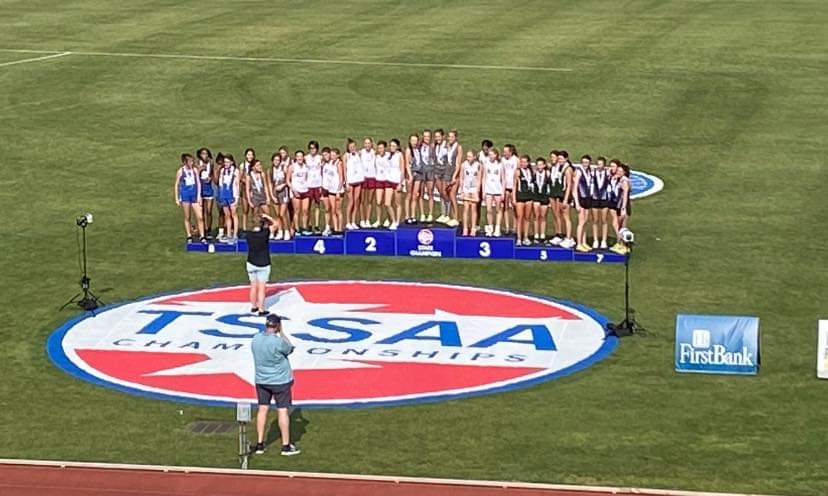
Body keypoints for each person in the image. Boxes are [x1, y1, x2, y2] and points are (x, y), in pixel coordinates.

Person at [251, 313, 300, 456]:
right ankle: (285, 446)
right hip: (280, 381)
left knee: (262, 409)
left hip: (261, 380)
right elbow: (289, 348)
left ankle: (260, 444)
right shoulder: (278, 342)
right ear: (277, 326)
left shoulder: (256, 339)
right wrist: (282, 333)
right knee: (282, 410)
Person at [174, 153, 205, 243]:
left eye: (192, 161)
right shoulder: (180, 171)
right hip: (185, 196)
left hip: (194, 195)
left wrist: (199, 196)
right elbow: (176, 185)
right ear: (185, 162)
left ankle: (202, 236)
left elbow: (198, 183)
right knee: (187, 217)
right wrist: (177, 198)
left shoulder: (194, 170)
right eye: (190, 161)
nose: (192, 163)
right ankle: (189, 235)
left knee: (200, 217)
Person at [246, 213, 274, 315]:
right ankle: (261, 309)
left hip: (251, 262)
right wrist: (268, 216)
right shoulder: (265, 233)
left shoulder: (248, 235)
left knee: (253, 286)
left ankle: (254, 306)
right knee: (261, 288)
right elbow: (275, 224)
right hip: (263, 263)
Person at [609, 161, 632, 254]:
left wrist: (623, 208)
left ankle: (623, 245)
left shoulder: (624, 180)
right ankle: (620, 244)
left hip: (623, 206)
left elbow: (625, 194)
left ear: (624, 172)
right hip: (620, 205)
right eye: (617, 171)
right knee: (619, 226)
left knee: (622, 227)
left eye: (620, 171)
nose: (618, 172)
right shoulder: (621, 179)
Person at [217, 154, 240, 243]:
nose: (226, 163)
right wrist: (220, 195)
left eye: (227, 162)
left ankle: (235, 234)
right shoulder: (222, 171)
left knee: (233, 214)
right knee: (227, 215)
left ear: (232, 162)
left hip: (232, 195)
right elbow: (220, 183)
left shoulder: (235, 171)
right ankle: (229, 234)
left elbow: (237, 184)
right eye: (225, 162)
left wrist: (237, 198)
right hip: (224, 195)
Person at [322, 147, 345, 235]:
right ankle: (335, 228)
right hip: (331, 190)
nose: (332, 156)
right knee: (333, 210)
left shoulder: (339, 163)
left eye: (334, 155)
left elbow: (341, 178)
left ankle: (340, 229)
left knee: (338, 210)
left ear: (338, 155)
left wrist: (338, 191)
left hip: (338, 190)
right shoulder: (330, 163)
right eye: (331, 155)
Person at [269, 149, 291, 240]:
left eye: (278, 160)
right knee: (277, 214)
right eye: (275, 160)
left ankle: (287, 231)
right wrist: (272, 195)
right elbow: (270, 183)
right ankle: (280, 231)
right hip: (275, 193)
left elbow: (288, 180)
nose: (276, 162)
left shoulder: (284, 168)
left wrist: (283, 185)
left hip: (283, 192)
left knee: (282, 214)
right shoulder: (270, 170)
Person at [287, 150, 310, 235]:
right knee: (297, 211)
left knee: (305, 210)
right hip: (296, 191)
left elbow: (307, 178)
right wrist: (293, 190)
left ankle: (304, 228)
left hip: (305, 190)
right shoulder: (292, 167)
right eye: (298, 156)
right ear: (295, 157)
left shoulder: (306, 167)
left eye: (301, 156)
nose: (300, 158)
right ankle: (297, 229)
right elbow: (288, 180)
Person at [483, 148, 505, 237]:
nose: (490, 156)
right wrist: (483, 191)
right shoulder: (486, 164)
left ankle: (497, 228)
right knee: (488, 210)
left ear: (496, 155)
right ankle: (490, 228)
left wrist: (502, 192)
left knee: (498, 209)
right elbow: (484, 177)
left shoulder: (500, 165)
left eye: (492, 154)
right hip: (488, 190)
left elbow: (503, 179)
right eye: (489, 154)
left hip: (497, 190)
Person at [591, 157, 611, 249]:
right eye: (598, 164)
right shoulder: (593, 172)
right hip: (595, 198)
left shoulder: (608, 172)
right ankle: (595, 240)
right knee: (595, 220)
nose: (599, 166)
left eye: (601, 164)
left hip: (604, 198)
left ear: (604, 165)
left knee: (604, 220)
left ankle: (603, 240)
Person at [513, 155, 534, 246]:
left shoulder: (531, 171)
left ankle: (526, 237)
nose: (522, 164)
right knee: (519, 218)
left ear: (528, 163)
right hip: (520, 197)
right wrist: (514, 198)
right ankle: (519, 238)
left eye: (525, 162)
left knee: (527, 218)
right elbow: (514, 186)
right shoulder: (517, 172)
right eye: (521, 162)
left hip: (529, 197)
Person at [384, 139, 404, 230]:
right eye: (391, 145)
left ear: (397, 147)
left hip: (396, 181)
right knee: (387, 203)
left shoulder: (399, 155)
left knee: (397, 203)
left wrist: (401, 183)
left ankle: (397, 221)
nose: (392, 147)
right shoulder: (388, 155)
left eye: (394, 146)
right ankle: (393, 220)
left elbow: (402, 170)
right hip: (389, 180)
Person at [557, 151, 576, 249]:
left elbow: (569, 185)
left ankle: (569, 239)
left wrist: (565, 199)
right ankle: (568, 237)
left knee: (566, 217)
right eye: (558, 159)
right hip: (562, 195)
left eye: (561, 159)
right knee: (563, 216)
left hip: (566, 196)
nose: (559, 160)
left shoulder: (568, 170)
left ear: (566, 159)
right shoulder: (562, 168)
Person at [305, 140, 324, 234]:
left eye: (314, 148)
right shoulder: (305, 158)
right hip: (308, 185)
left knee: (317, 205)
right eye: (311, 148)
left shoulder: (320, 158)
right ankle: (308, 224)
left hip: (317, 184)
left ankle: (316, 225)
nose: (313, 150)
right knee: (307, 206)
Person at [344, 139, 363, 230]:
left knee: (356, 201)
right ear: (348, 148)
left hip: (358, 180)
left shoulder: (359, 154)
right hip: (350, 181)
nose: (352, 148)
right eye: (350, 147)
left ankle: (353, 221)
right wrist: (346, 182)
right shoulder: (346, 156)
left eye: (354, 146)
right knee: (350, 201)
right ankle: (348, 221)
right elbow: (344, 170)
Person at [197, 148, 215, 239]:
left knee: (209, 210)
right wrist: (200, 170)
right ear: (200, 155)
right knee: (202, 210)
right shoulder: (197, 163)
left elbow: (212, 174)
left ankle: (209, 229)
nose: (205, 155)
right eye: (203, 154)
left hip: (208, 187)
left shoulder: (211, 163)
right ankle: (203, 229)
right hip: (201, 187)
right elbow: (195, 176)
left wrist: (210, 178)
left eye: (206, 153)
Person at [533, 157, 551, 244]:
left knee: (543, 217)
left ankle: (543, 235)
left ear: (544, 165)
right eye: (538, 165)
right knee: (536, 217)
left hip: (544, 197)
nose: (539, 166)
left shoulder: (547, 174)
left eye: (541, 164)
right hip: (536, 197)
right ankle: (536, 235)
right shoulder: (534, 174)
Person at [404, 133, 421, 224]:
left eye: (415, 140)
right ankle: (407, 216)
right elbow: (407, 164)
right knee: (409, 195)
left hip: (418, 174)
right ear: (409, 141)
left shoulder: (418, 150)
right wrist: (410, 175)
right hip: (410, 174)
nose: (414, 142)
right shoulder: (408, 150)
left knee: (415, 195)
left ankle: (413, 215)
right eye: (412, 141)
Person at [359, 137, 377, 227]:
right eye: (366, 143)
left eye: (369, 143)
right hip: (363, 178)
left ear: (371, 144)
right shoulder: (361, 152)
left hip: (372, 177)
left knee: (370, 200)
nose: (367, 145)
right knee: (362, 200)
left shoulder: (374, 152)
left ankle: (367, 219)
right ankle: (362, 219)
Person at [501, 144, 518, 234]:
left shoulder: (515, 160)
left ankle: (515, 227)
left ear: (510, 152)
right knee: (505, 207)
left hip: (513, 187)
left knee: (515, 208)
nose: (504, 153)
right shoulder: (503, 160)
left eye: (506, 152)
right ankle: (507, 227)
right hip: (505, 186)